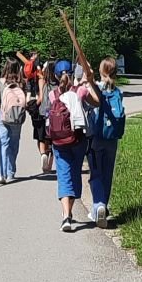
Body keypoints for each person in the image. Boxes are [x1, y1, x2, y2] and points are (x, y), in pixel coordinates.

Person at [50, 59, 96, 231]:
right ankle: (69, 211)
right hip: (78, 139)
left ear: (55, 76)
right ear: (72, 73)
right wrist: (89, 81)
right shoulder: (80, 91)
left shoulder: (53, 94)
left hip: (58, 140)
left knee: (63, 175)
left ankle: (66, 216)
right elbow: (97, 102)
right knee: (75, 173)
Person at [84, 56, 122, 229]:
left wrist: (86, 86)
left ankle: (98, 205)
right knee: (107, 174)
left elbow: (89, 103)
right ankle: (103, 207)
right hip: (112, 138)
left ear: (101, 70)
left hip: (97, 137)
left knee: (96, 173)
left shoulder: (97, 88)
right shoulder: (117, 92)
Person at [0, 58, 26, 185]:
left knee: (2, 143)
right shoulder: (21, 83)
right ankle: (11, 171)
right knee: (14, 143)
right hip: (17, 116)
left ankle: (2, 174)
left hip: (2, 115)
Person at [34, 60, 56, 173]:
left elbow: (41, 98)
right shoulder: (59, 83)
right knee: (53, 139)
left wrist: (33, 105)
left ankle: (43, 155)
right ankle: (50, 164)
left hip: (43, 112)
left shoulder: (42, 81)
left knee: (41, 137)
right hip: (55, 113)